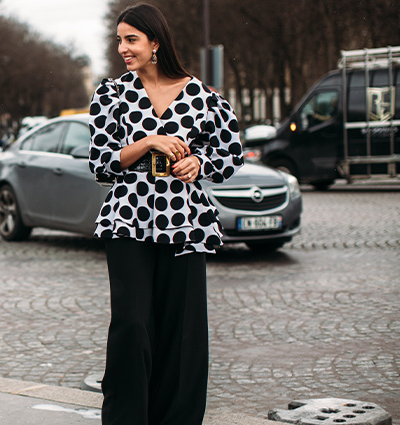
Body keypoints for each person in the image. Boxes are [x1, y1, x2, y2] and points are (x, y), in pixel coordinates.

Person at [88, 4, 244, 425]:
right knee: (132, 326)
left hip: (186, 223)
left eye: (131, 39)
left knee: (183, 331)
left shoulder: (204, 97)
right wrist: (149, 142)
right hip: (127, 220)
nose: (122, 47)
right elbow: (101, 163)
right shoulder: (111, 94)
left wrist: (200, 164)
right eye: (119, 39)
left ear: (155, 42)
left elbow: (230, 155)